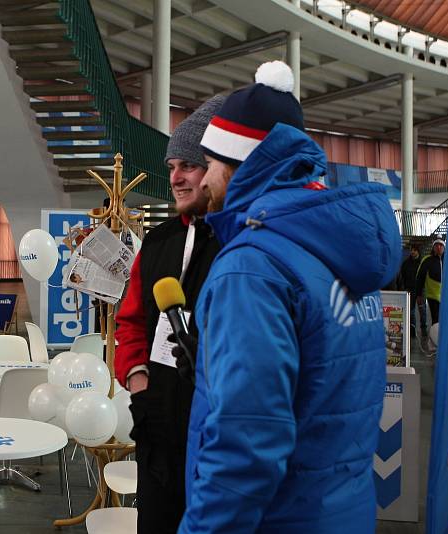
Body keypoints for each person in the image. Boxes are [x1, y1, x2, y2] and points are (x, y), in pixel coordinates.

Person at [180, 61, 401, 533]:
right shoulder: (337, 252)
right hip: (343, 513)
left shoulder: (253, 267)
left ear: (241, 164)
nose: (203, 180)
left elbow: (246, 440)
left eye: (212, 164)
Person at [114, 95, 224, 533]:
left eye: (188, 167)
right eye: (171, 166)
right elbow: (131, 321)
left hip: (213, 423)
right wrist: (139, 385)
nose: (175, 178)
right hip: (156, 419)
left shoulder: (238, 243)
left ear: (215, 170)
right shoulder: (158, 241)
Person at [416, 238, 445, 325]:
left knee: (445, 319)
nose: (439, 247)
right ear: (433, 247)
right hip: (433, 296)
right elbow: (420, 277)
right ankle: (435, 338)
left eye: (441, 245)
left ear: (444, 247)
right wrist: (419, 294)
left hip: (447, 296)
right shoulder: (427, 260)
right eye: (436, 245)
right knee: (436, 320)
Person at [398, 244, 422, 337]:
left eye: (415, 250)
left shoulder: (422, 262)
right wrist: (404, 289)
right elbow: (402, 277)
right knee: (411, 311)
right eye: (411, 250)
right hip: (409, 290)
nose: (413, 252)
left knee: (422, 311)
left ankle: (423, 330)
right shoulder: (405, 263)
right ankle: (412, 331)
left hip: (420, 290)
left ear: (418, 251)